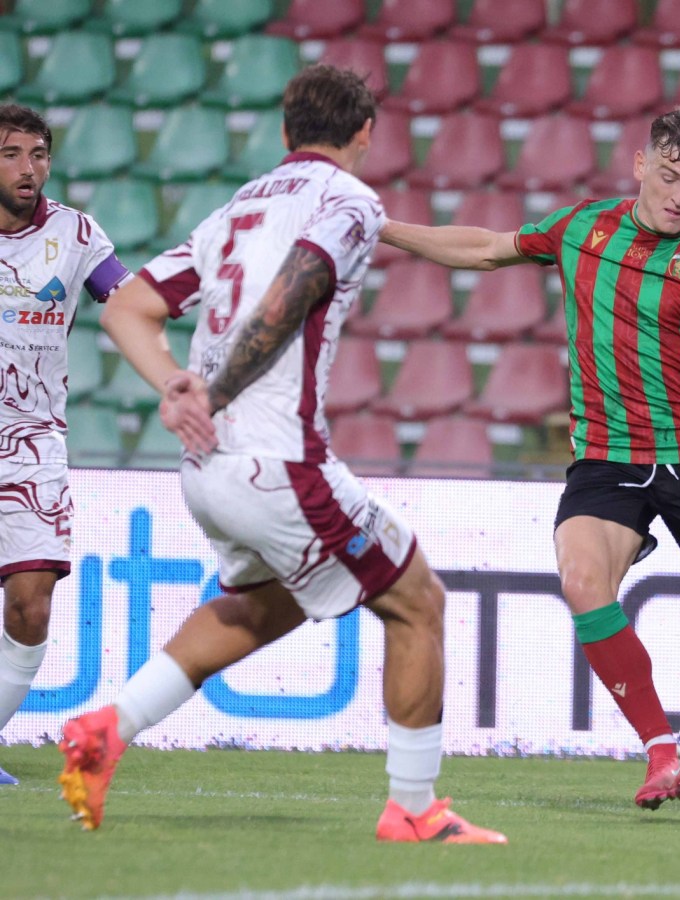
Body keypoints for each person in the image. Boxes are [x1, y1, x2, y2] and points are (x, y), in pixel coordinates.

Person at [57, 65, 506, 843]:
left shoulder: (238, 207)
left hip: (208, 471)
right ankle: (413, 808)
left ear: (283, 131)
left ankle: (105, 728)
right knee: (417, 599)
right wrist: (214, 392)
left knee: (264, 605)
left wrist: (176, 386)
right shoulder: (348, 200)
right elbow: (291, 294)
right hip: (280, 463)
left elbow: (128, 306)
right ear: (365, 135)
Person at [378, 107, 680, 813]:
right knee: (582, 579)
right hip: (606, 457)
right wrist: (387, 229)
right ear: (640, 165)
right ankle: (661, 752)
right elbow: (488, 247)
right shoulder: (584, 227)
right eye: (669, 176)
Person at [0, 104, 131, 786]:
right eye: (13, 154)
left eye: (39, 154)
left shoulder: (75, 234)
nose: (29, 168)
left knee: (32, 602)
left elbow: (126, 299)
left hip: (31, 443)